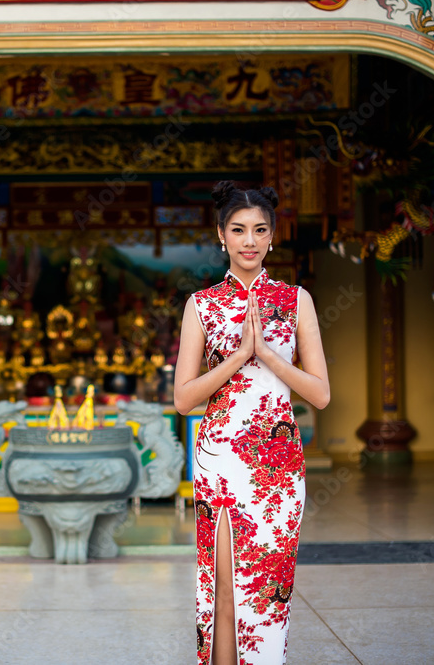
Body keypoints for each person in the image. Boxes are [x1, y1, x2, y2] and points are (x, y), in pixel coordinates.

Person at [174, 181, 330, 665]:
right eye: (238, 230)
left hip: (278, 463)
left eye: (259, 230)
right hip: (221, 458)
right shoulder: (201, 305)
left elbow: (320, 394)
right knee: (222, 589)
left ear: (272, 236)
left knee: (269, 594)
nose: (249, 240)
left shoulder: (296, 299)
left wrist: (266, 354)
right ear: (220, 235)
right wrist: (238, 356)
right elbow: (183, 399)